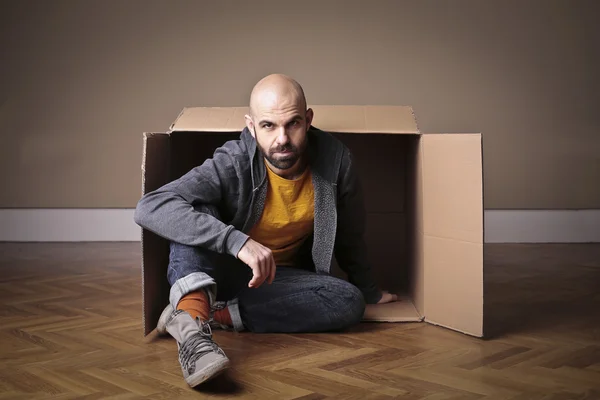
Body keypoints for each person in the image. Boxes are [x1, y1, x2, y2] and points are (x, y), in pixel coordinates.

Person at [133, 74, 398, 387]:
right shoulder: (232, 161)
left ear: (308, 119)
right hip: (215, 268)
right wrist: (237, 242)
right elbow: (150, 206)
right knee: (196, 209)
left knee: (349, 302)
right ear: (251, 125)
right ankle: (193, 331)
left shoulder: (336, 161)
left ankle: (209, 314)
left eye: (293, 124)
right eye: (268, 126)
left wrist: (368, 289)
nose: (282, 138)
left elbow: (350, 234)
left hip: (274, 282)